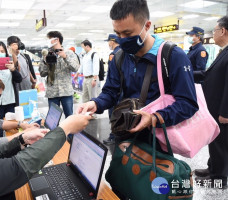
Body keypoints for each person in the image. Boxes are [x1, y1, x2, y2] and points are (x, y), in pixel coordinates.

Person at [76, 0, 198, 198]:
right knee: (123, 184)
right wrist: (95, 103)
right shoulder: (120, 57)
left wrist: (155, 117)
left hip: (156, 140)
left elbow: (188, 104)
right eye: (118, 34)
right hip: (124, 135)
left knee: (150, 190)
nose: (122, 39)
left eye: (128, 34)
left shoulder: (172, 56)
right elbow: (111, 92)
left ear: (147, 26)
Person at [194, 16, 228, 189]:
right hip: (214, 106)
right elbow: (210, 75)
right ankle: (212, 168)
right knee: (215, 141)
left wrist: (225, 112)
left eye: (214, 30)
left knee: (221, 143)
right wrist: (186, 74)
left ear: (223, 31)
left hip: (222, 110)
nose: (213, 34)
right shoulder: (224, 52)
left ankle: (219, 178)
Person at [39, 31, 80, 118]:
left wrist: (65, 57)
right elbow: (42, 73)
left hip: (66, 92)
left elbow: (75, 68)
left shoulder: (69, 53)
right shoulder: (47, 55)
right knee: (53, 118)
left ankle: (70, 132)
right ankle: (54, 132)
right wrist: (45, 62)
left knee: (69, 117)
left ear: (56, 40)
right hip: (52, 92)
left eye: (50, 39)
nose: (48, 41)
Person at [103, 34, 121, 145]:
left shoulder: (113, 54)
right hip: (123, 91)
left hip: (115, 90)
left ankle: (113, 136)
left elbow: (112, 75)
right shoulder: (124, 52)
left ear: (112, 42)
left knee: (113, 114)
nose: (108, 44)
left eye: (109, 42)